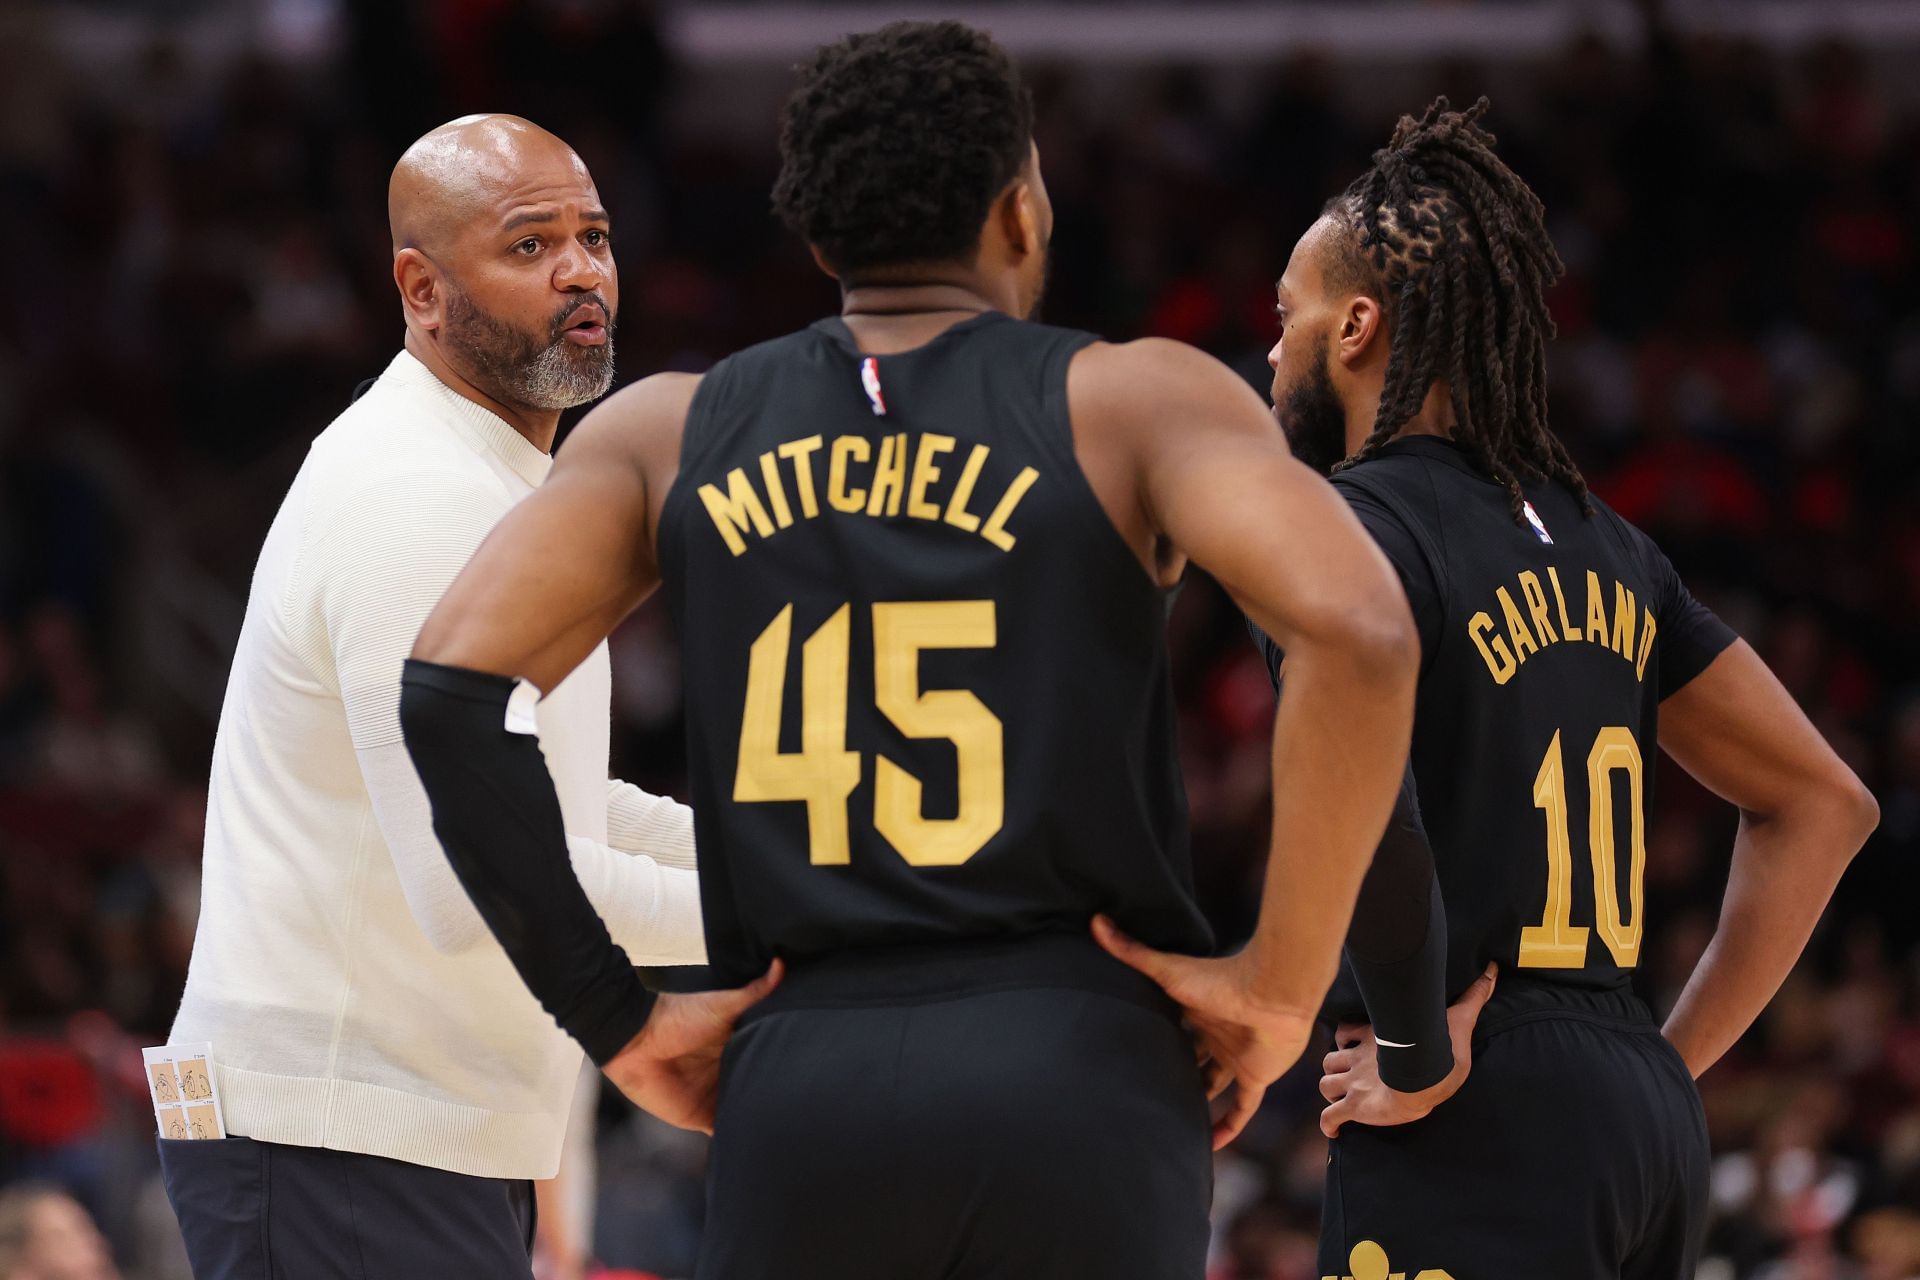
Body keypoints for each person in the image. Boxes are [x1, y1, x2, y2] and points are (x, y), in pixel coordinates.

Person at [398, 21, 1420, 1280]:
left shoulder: (667, 428)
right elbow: (1363, 628)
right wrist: (1278, 981)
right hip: (1079, 1058)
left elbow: (448, 691)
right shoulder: (1138, 399)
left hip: (802, 1076)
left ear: (820, 236)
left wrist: (613, 1012)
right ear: (1021, 213)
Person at [1194, 97, 1877, 1280]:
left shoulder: (1330, 531)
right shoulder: (1609, 543)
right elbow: (1825, 803)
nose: (1268, 352)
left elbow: (1367, 813)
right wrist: (1654, 1063)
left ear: (1356, 327)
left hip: (1467, 1106)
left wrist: (1414, 1049)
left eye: (1284, 316)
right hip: (1635, 1116)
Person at [159, 115, 723, 1278]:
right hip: (333, 1136)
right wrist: (809, 902)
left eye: (595, 237)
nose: (580, 271)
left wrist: (800, 855)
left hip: (384, 1137)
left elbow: (546, 806)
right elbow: (480, 872)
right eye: (530, 246)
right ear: (421, 287)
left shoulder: (489, 477)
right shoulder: (414, 495)